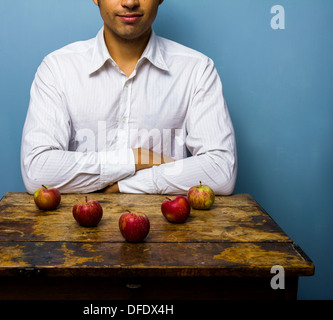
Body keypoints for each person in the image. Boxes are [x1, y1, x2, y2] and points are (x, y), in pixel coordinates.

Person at [20, 0, 237, 195]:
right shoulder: (58, 68)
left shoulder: (197, 69)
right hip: (76, 232)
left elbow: (221, 171)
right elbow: (37, 171)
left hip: (171, 232)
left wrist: (124, 185)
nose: (130, 2)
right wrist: (137, 158)